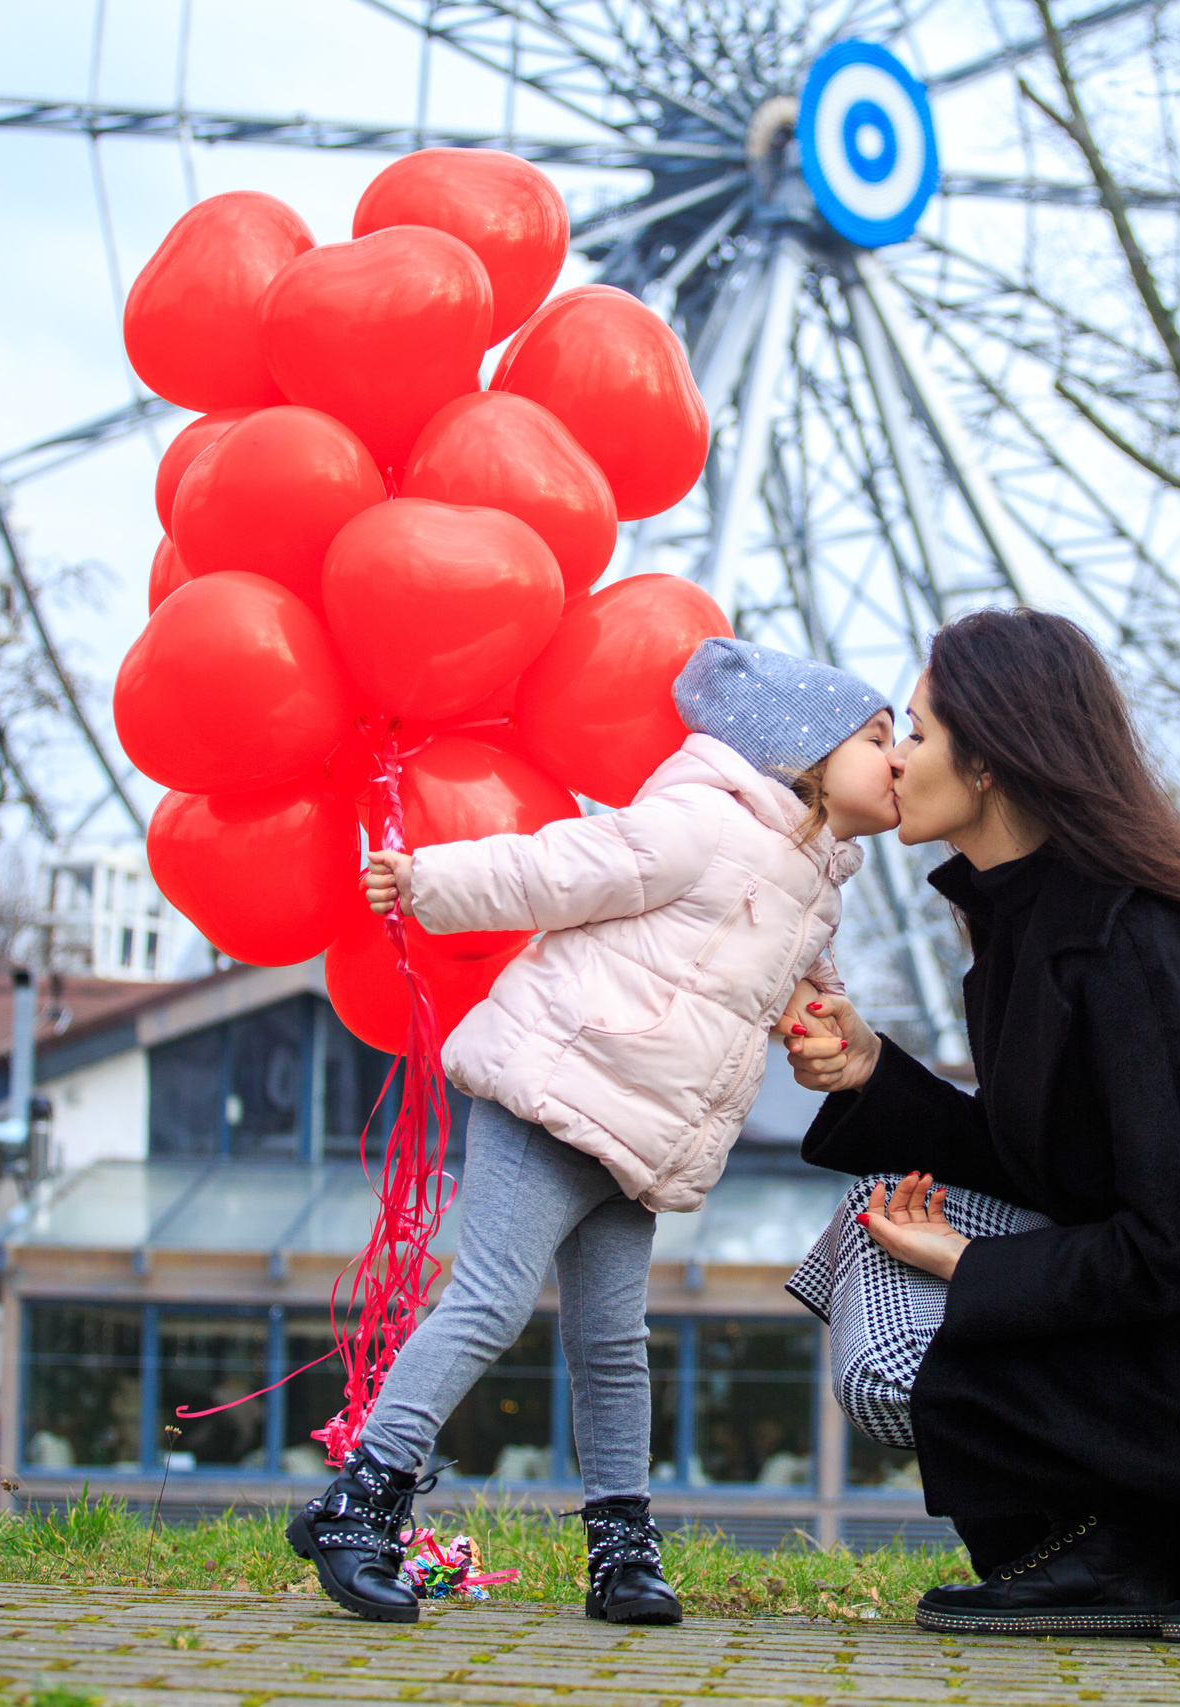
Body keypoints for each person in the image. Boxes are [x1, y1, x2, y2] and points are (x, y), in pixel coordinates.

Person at [780, 609, 1180, 1643]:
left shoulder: (1128, 944)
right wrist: (871, 1071)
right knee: (868, 1232)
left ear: (991, 759)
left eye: (920, 733)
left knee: (908, 1369)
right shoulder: (1030, 922)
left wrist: (971, 1266)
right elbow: (1050, 1168)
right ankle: (1118, 1549)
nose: (892, 757)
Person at [286, 638, 900, 1625]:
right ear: (808, 755)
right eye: (877, 737)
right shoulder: (704, 823)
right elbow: (564, 866)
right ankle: (361, 1502)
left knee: (613, 1343)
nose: (900, 759)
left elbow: (783, 976)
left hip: (638, 1131)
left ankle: (621, 1548)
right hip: (552, 1089)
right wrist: (428, 882)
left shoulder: (815, 883)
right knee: (489, 1301)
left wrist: (825, 1022)